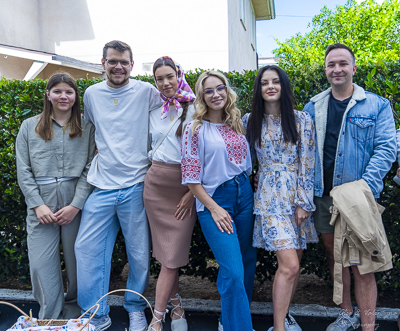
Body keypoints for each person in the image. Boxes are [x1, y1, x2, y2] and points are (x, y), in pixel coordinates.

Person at [303, 43, 396, 331]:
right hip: (323, 198)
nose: (337, 69)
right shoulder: (313, 106)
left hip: (358, 199)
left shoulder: (377, 105)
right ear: (326, 70)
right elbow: (303, 152)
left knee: (363, 264)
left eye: (343, 63)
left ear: (353, 68)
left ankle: (368, 324)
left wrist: (364, 188)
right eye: (331, 64)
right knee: (336, 259)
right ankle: (346, 314)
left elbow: (386, 149)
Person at [74, 40, 162, 331]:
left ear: (132, 65)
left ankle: (135, 307)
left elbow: (171, 117)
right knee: (87, 250)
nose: (118, 67)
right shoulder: (91, 94)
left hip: (137, 184)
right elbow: (93, 131)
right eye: (112, 61)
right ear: (103, 63)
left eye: (124, 61)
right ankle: (96, 314)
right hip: (101, 185)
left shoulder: (147, 92)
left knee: (138, 254)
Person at [242, 65, 318, 331]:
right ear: (259, 89)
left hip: (295, 199)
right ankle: (279, 327)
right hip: (268, 198)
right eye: (265, 83)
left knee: (294, 265)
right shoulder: (249, 121)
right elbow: (239, 159)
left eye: (276, 82)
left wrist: (303, 203)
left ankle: (283, 318)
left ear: (284, 86)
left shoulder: (301, 120)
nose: (270, 86)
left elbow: (308, 163)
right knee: (290, 264)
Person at [181, 71, 257, 331]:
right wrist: (214, 209)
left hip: (244, 194)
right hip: (215, 199)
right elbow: (191, 179)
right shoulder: (194, 128)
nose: (216, 94)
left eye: (220, 88)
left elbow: (246, 165)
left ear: (227, 91)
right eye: (209, 90)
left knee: (246, 262)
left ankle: (229, 321)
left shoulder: (237, 123)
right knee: (233, 271)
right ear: (201, 96)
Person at [16, 72, 96, 319]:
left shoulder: (87, 128)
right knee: (41, 263)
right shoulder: (29, 126)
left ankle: (73, 313)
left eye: (69, 92)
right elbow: (23, 168)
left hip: (75, 203)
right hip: (41, 203)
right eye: (58, 91)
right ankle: (49, 315)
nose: (63, 96)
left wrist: (76, 204)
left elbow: (90, 168)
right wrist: (37, 204)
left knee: (77, 263)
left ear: (75, 97)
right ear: (48, 95)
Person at [144, 56, 197, 331]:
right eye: (159, 79)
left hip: (184, 187)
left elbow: (205, 152)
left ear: (179, 75)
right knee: (166, 256)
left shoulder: (196, 107)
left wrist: (192, 192)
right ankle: (175, 306)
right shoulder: (154, 110)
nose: (165, 83)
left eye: (169, 77)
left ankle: (156, 319)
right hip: (155, 187)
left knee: (171, 255)